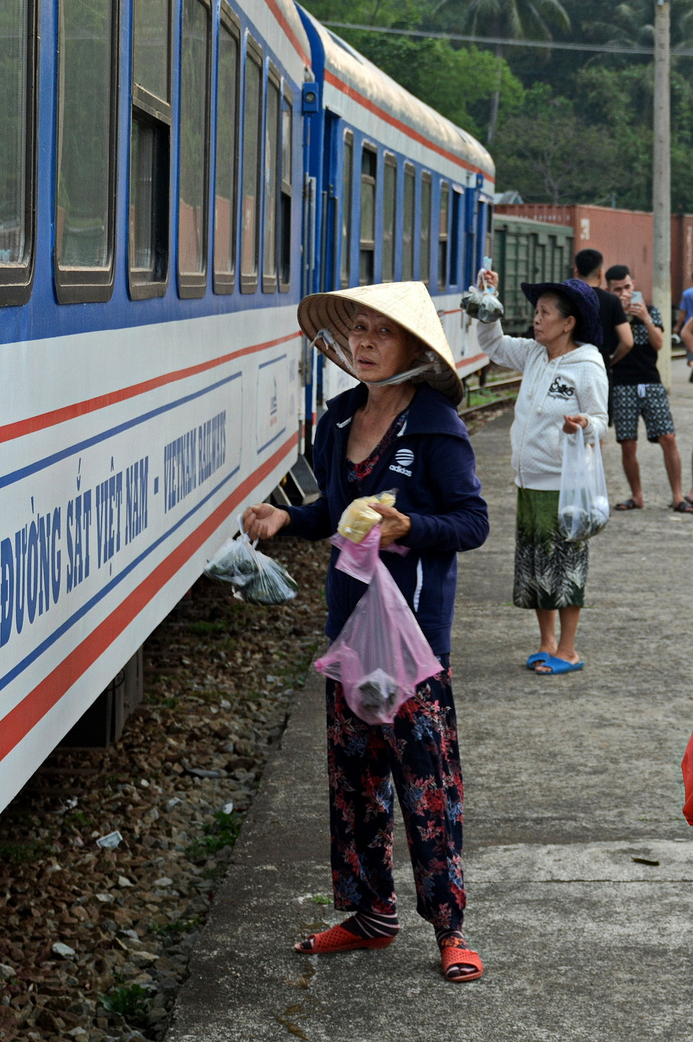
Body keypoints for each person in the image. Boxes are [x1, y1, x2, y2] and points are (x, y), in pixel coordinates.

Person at [242, 282, 489, 982]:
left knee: (426, 784)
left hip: (411, 638)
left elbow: (473, 522)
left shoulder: (436, 425)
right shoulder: (338, 416)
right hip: (350, 631)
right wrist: (286, 519)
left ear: (412, 346)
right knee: (354, 781)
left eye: (382, 333)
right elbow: (334, 509)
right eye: (357, 330)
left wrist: (413, 526)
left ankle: (450, 927)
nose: (366, 344)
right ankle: (368, 914)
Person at [476, 272, 608, 675]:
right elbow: (493, 345)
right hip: (529, 482)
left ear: (568, 323)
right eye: (537, 311)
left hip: (563, 484)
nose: (536, 319)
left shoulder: (587, 365)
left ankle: (568, 650)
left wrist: (582, 423)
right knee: (536, 567)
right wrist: (487, 302)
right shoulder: (533, 353)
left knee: (566, 566)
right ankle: (546, 642)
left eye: (544, 313)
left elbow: (602, 420)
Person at [605, 264, 693, 513]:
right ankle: (637, 495)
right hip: (623, 384)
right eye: (617, 289)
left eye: (627, 287)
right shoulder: (611, 315)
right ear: (609, 290)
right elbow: (609, 350)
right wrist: (620, 315)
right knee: (628, 442)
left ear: (634, 284)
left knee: (668, 437)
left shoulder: (650, 310)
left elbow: (658, 344)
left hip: (651, 381)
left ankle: (677, 496)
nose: (623, 292)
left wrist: (644, 318)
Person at [573, 249, 633, 403]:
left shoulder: (567, 298)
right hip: (600, 366)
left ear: (576, 272)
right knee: (596, 420)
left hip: (570, 366)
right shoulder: (611, 300)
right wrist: (610, 361)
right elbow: (627, 342)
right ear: (601, 273)